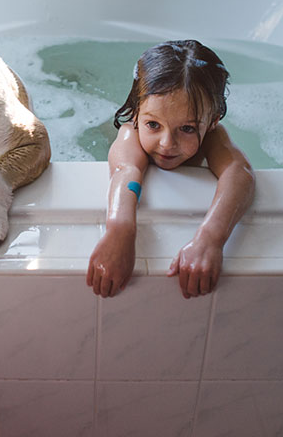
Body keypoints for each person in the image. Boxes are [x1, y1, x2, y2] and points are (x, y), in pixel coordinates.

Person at [86, 40, 255, 299]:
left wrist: (209, 238)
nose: (167, 144)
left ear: (212, 122)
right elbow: (126, 169)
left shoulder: (213, 137)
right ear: (136, 112)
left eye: (187, 128)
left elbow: (239, 172)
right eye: (153, 124)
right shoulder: (130, 132)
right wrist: (120, 229)